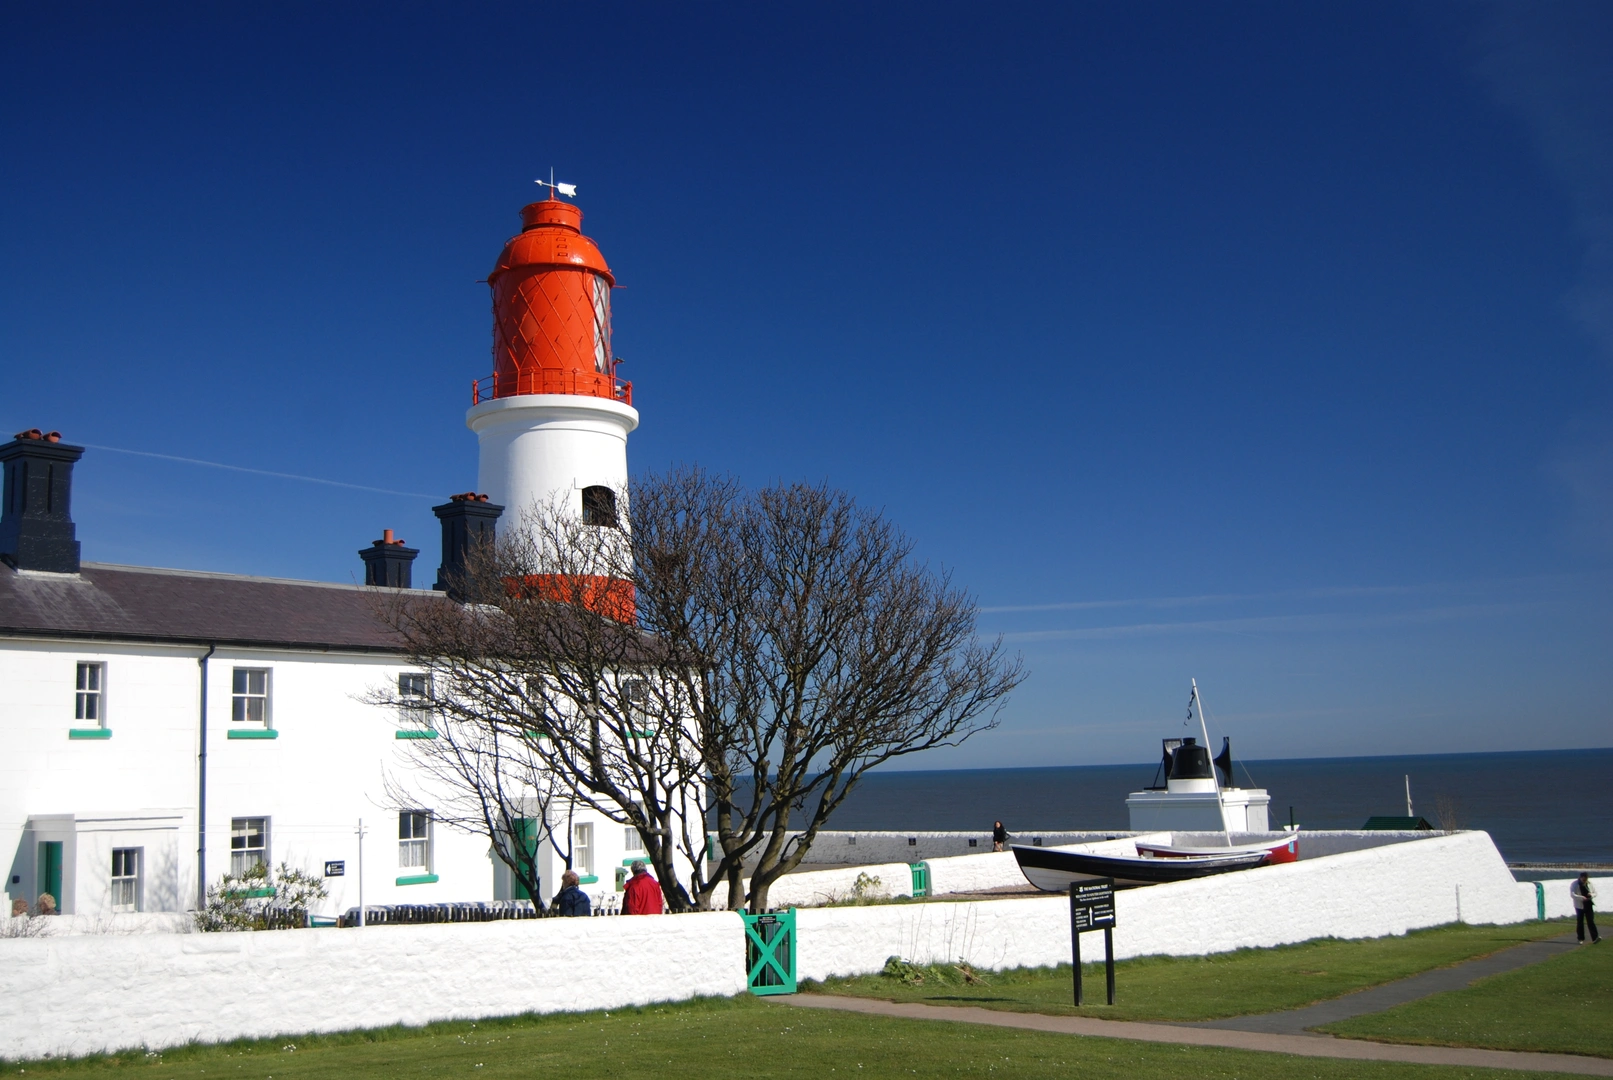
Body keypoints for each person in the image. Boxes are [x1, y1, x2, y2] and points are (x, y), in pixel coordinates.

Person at [1570, 872, 1600, 944]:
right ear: (1580, 878)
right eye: (1583, 879)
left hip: (1588, 904)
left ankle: (1595, 938)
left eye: (1586, 879)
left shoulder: (1589, 883)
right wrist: (1581, 897)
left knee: (1591, 921)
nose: (1585, 881)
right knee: (1580, 922)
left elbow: (1595, 893)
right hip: (1579, 905)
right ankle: (1580, 938)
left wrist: (1591, 894)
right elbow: (1572, 895)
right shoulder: (1574, 884)